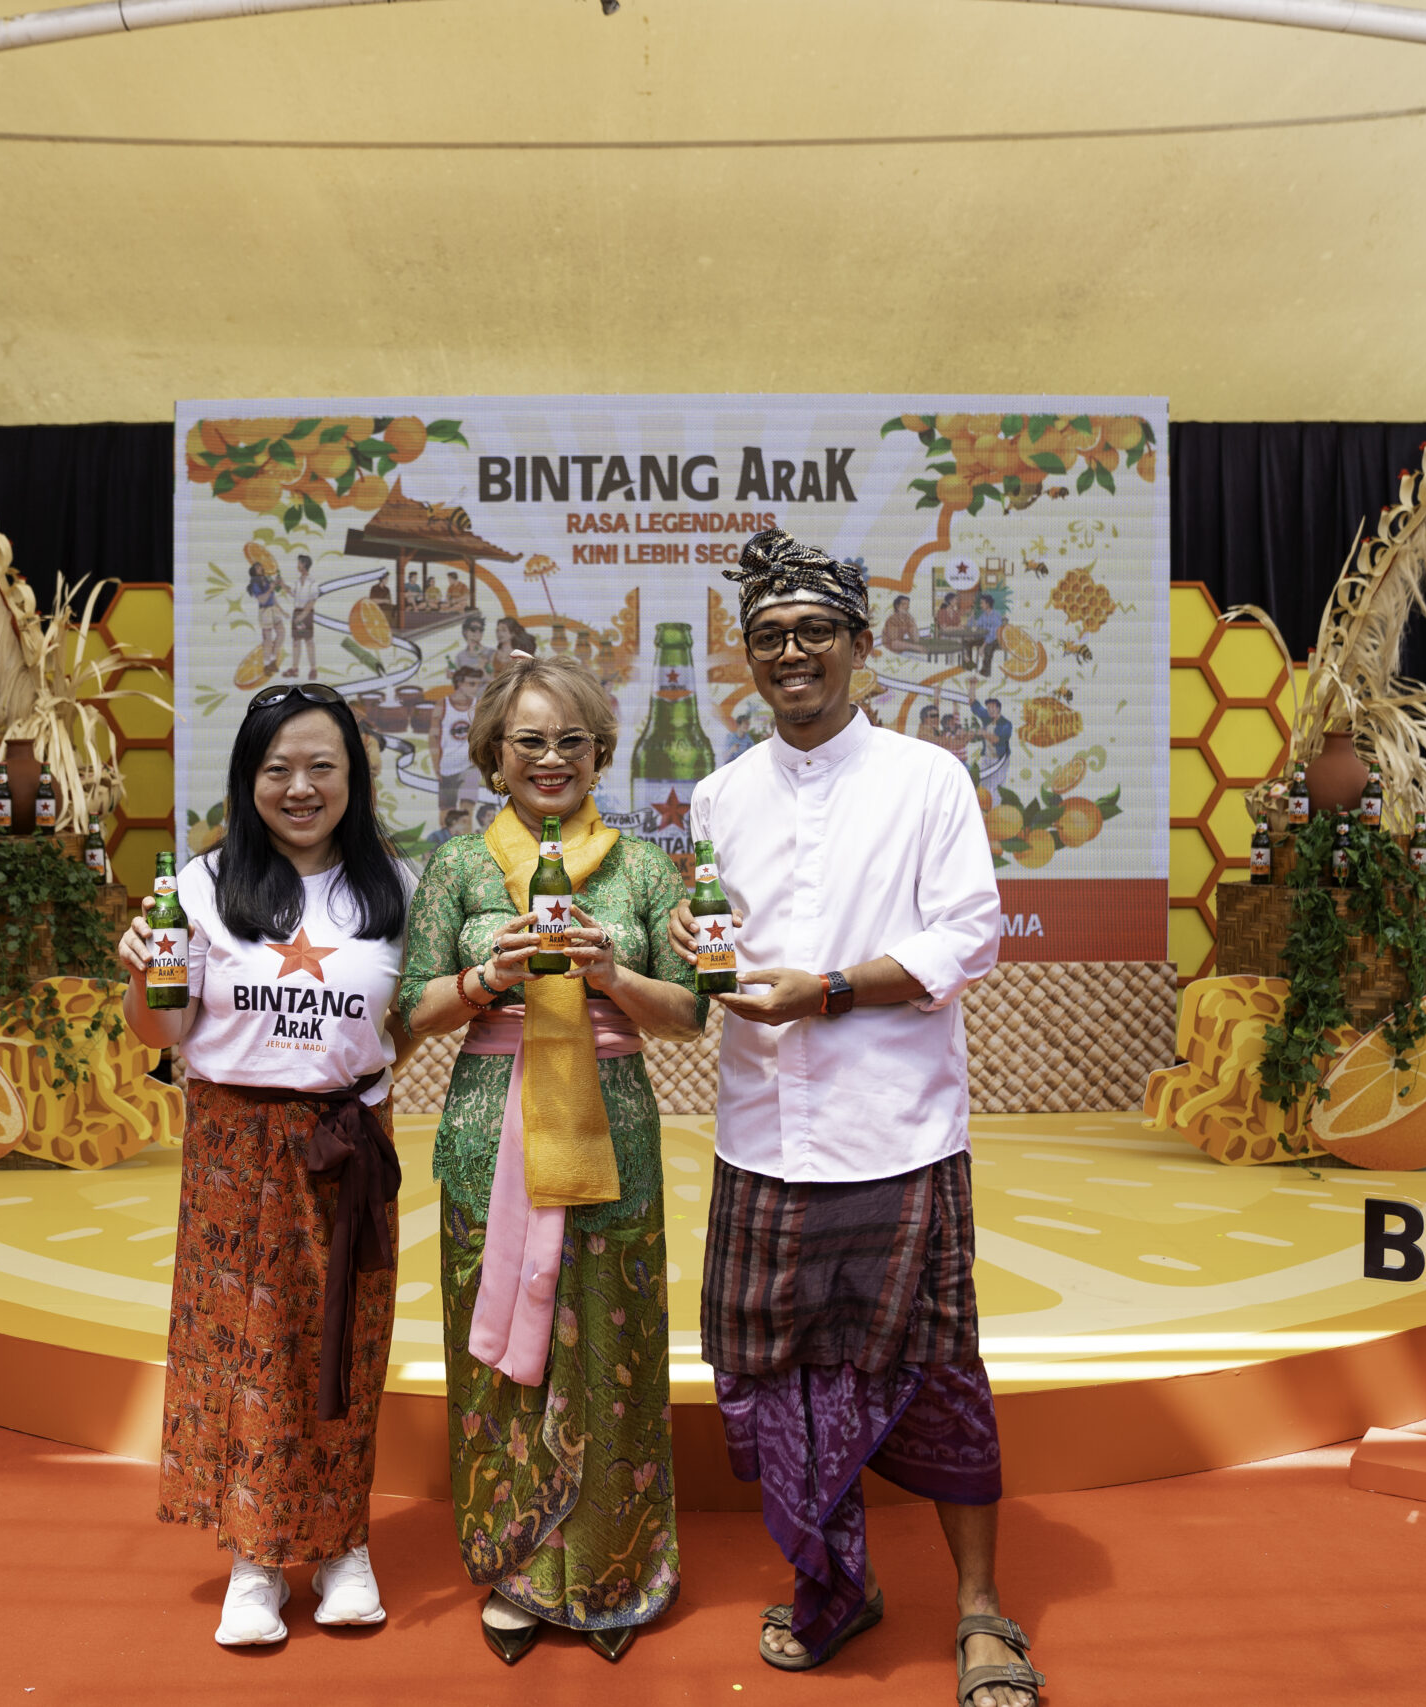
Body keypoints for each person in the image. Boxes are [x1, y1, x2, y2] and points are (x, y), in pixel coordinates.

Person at [669, 530, 1041, 1706]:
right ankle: (835, 1583)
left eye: (814, 632)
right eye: (769, 637)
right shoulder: (719, 793)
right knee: (769, 1372)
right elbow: (718, 949)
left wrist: (826, 989)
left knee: (937, 1369)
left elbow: (966, 932)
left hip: (898, 1130)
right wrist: (697, 951)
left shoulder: (927, 778)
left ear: (860, 647)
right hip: (761, 1136)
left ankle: (981, 1613)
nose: (792, 654)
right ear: (748, 659)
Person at [396, 654, 705, 1667]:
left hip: (612, 1128)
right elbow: (408, 1013)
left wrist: (616, 976)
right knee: (502, 1346)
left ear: (601, 751)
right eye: (529, 740)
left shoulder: (648, 866)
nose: (550, 758)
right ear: (493, 753)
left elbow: (690, 1015)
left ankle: (612, 1565)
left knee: (611, 1346)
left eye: (571, 740)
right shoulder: (456, 867)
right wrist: (487, 976)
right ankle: (520, 1567)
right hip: (491, 1132)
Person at [120, 683, 419, 1649]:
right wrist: (140, 971)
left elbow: (398, 1028)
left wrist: (350, 1084)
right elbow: (161, 1031)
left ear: (353, 777)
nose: (300, 787)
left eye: (321, 766)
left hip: (346, 1149)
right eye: (277, 768)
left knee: (342, 1344)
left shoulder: (395, 890)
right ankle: (254, 1562)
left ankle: (342, 1547)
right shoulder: (203, 888)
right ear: (249, 779)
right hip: (232, 1147)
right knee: (242, 1351)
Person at [433, 663, 487, 819]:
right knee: (447, 813)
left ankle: (467, 843)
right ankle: (444, 842)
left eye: (477, 684)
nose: (475, 688)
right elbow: (434, 737)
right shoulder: (442, 705)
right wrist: (436, 764)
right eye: (471, 684)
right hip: (447, 766)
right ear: (459, 683)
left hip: (469, 766)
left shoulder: (478, 705)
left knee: (466, 810)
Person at [287, 553, 320, 679]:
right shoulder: (297, 581)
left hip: (306, 613)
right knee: (296, 641)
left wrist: (303, 615)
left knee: (309, 641)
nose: (297, 565)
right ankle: (295, 669)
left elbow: (312, 602)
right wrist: (282, 585)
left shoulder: (312, 582)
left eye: (299, 563)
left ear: (304, 564)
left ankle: (313, 669)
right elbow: (293, 593)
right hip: (297, 611)